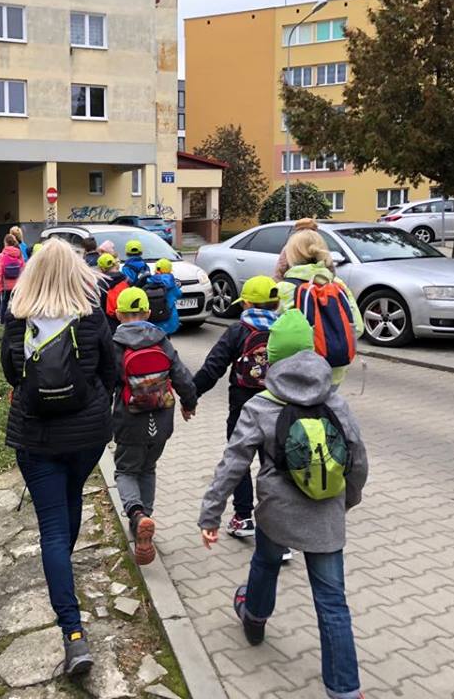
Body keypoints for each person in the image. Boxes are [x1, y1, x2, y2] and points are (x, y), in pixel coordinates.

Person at [198, 309, 368, 699]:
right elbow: (358, 459)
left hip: (277, 513)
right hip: (326, 515)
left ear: (272, 358)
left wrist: (210, 514)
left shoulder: (261, 405)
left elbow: (233, 464)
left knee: (266, 562)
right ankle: (345, 690)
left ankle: (254, 616)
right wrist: (346, 500)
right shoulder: (335, 401)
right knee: (332, 601)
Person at [0, 238, 116, 677]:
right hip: (86, 437)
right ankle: (61, 573)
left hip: (36, 438)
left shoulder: (17, 318)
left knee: (52, 527)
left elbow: (10, 373)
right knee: (72, 499)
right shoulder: (91, 316)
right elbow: (111, 372)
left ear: (32, 273)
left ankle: (73, 633)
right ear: (75, 273)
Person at [111, 286, 197, 565]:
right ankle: (145, 517)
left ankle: (137, 516)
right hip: (161, 420)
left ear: (118, 314)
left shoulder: (115, 344)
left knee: (126, 470)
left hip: (129, 421)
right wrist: (189, 403)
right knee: (148, 468)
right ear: (148, 312)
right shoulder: (162, 341)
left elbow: (105, 383)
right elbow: (182, 376)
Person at [193, 276, 280, 541]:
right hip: (278, 408)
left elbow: (213, 368)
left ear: (249, 304)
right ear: (276, 303)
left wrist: (190, 396)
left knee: (238, 462)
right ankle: (277, 527)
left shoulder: (238, 331)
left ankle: (243, 517)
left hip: (243, 408)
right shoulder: (285, 330)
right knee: (274, 465)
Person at [277, 230, 363, 387]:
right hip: (333, 372)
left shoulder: (284, 288)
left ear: (291, 254)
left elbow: (273, 333)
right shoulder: (338, 285)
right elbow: (358, 327)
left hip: (295, 374)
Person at [142, 258, 182, 336]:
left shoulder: (150, 280)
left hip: (152, 317)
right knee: (166, 337)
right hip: (168, 317)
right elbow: (178, 294)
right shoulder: (171, 283)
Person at [0, 233, 25, 322]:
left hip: (6, 285)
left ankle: (3, 321)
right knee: (17, 302)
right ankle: (18, 320)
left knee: (4, 302)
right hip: (17, 284)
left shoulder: (2, 255)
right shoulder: (19, 254)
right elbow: (23, 269)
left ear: (5, 243)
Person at [97, 253, 128, 334]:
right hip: (125, 319)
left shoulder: (100, 284)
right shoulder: (126, 279)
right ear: (115, 264)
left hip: (108, 325)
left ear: (101, 268)